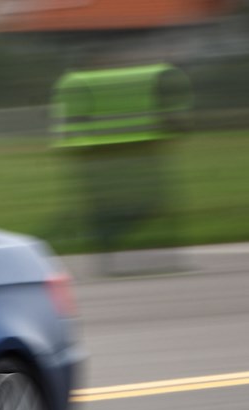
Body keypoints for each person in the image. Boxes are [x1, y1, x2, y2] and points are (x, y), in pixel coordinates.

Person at [51, 60, 193, 272]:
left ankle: (106, 251)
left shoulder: (80, 88)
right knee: (139, 205)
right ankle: (106, 248)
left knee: (117, 209)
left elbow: (69, 129)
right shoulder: (143, 90)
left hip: (102, 157)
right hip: (134, 156)